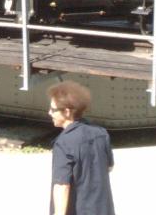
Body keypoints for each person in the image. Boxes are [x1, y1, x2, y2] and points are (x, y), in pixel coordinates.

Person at [48, 81, 115, 215]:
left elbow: (62, 185)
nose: (49, 113)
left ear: (67, 112)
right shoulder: (101, 134)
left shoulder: (63, 143)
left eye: (53, 110)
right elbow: (109, 167)